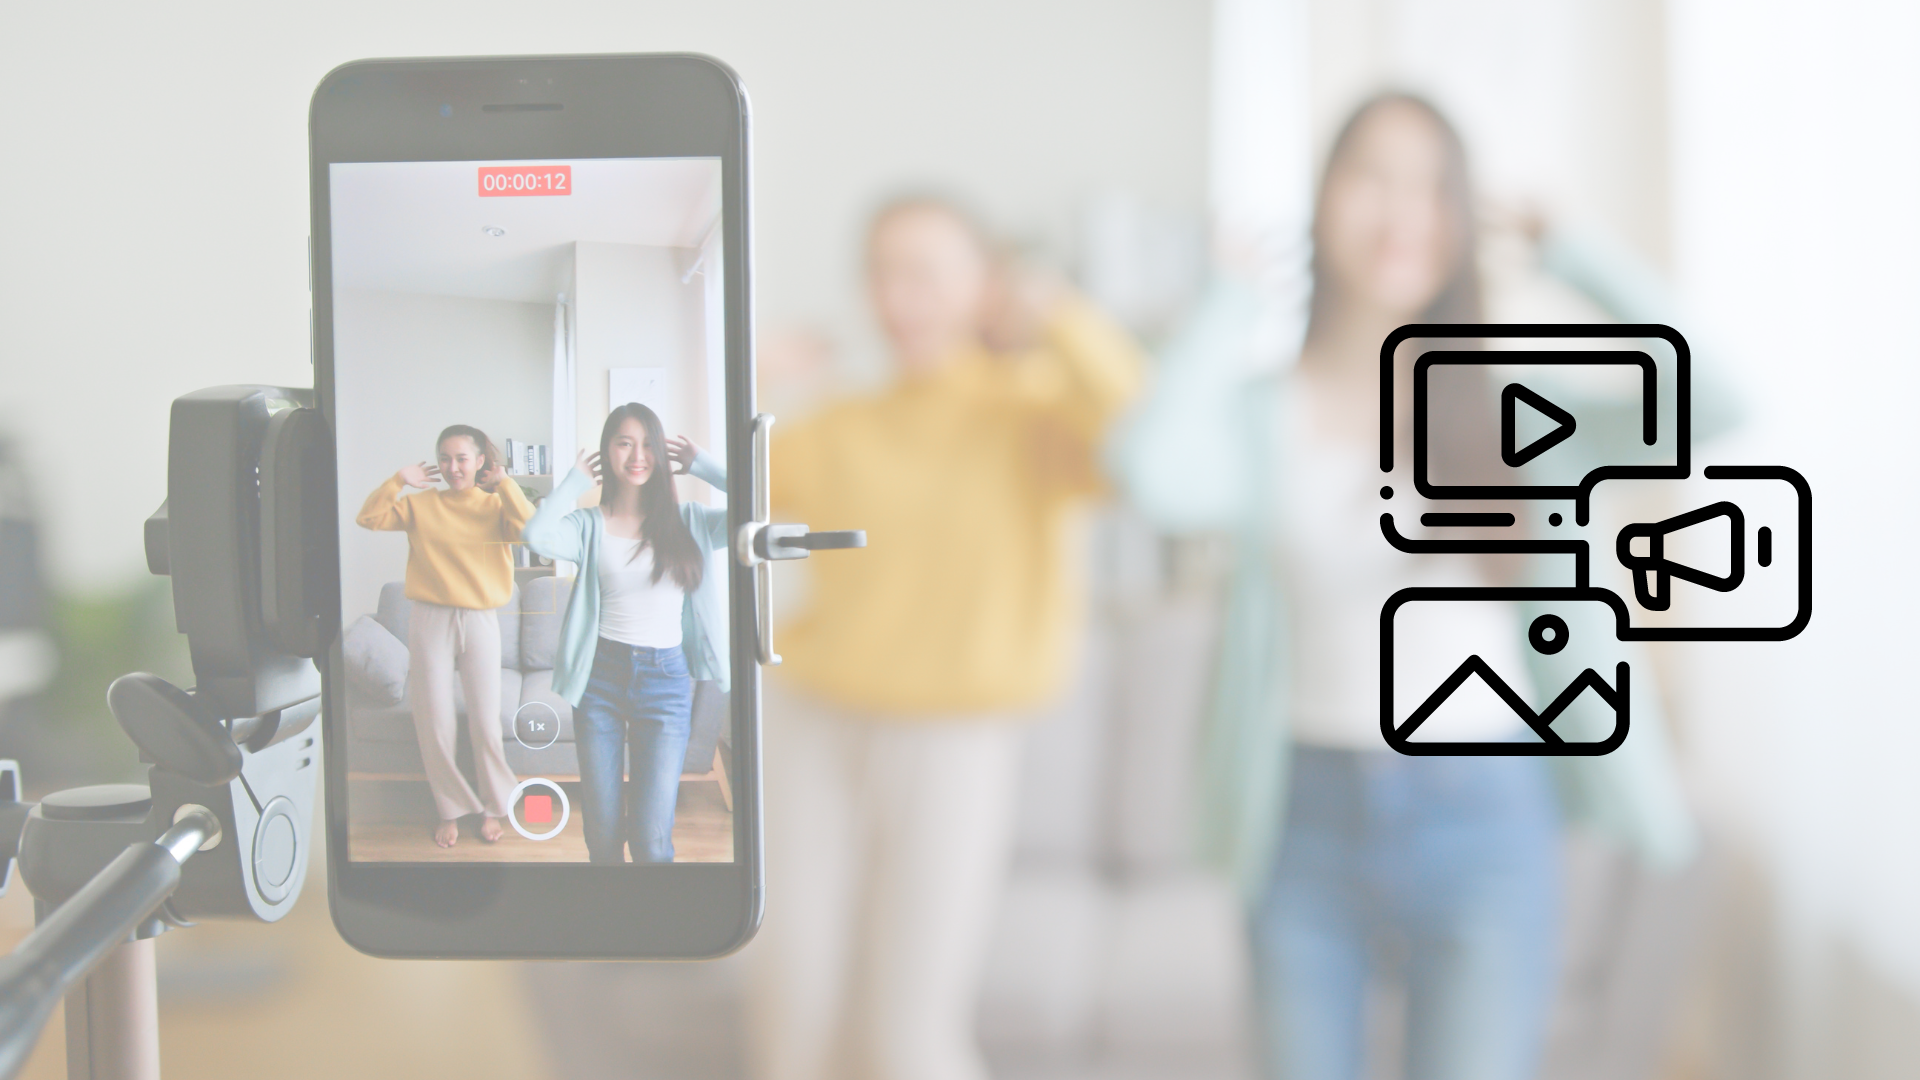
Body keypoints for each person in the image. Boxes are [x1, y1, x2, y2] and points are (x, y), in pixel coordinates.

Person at [1113, 94, 1697, 1080]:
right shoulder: (1264, 413)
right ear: (1321, 200)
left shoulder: (1518, 401)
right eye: (1371, 178)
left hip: (1486, 807)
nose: (1400, 211)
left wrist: (1577, 254)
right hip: (1302, 811)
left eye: (1433, 186)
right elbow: (1149, 467)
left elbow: (1711, 399)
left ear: (1465, 217)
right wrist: (1224, 304)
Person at [743, 198, 1144, 1080]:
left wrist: (1059, 314)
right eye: (882, 272)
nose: (899, 296)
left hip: (957, 741)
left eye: (923, 271)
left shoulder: (1035, 416)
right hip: (814, 725)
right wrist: (742, 380)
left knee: (909, 1036)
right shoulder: (842, 424)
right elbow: (692, 498)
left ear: (985, 285)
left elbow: (1143, 440)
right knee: (792, 1015)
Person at [521, 403, 729, 863]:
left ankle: (653, 927)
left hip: (667, 681)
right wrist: (574, 483)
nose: (638, 455)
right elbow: (535, 535)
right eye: (624, 442)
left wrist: (707, 466)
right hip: (600, 681)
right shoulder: (587, 526)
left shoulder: (690, 522)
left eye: (648, 444)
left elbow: (759, 506)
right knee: (602, 832)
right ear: (607, 452)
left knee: (653, 841)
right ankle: (610, 921)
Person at [357, 425, 531, 848]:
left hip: (481, 620)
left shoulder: (495, 506)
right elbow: (369, 518)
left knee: (486, 721)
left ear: (479, 463)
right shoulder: (422, 505)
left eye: (462, 458)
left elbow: (531, 530)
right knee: (434, 720)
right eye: (446, 458)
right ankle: (449, 809)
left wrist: (505, 483)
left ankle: (494, 806)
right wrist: (398, 480)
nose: (454, 467)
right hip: (430, 619)